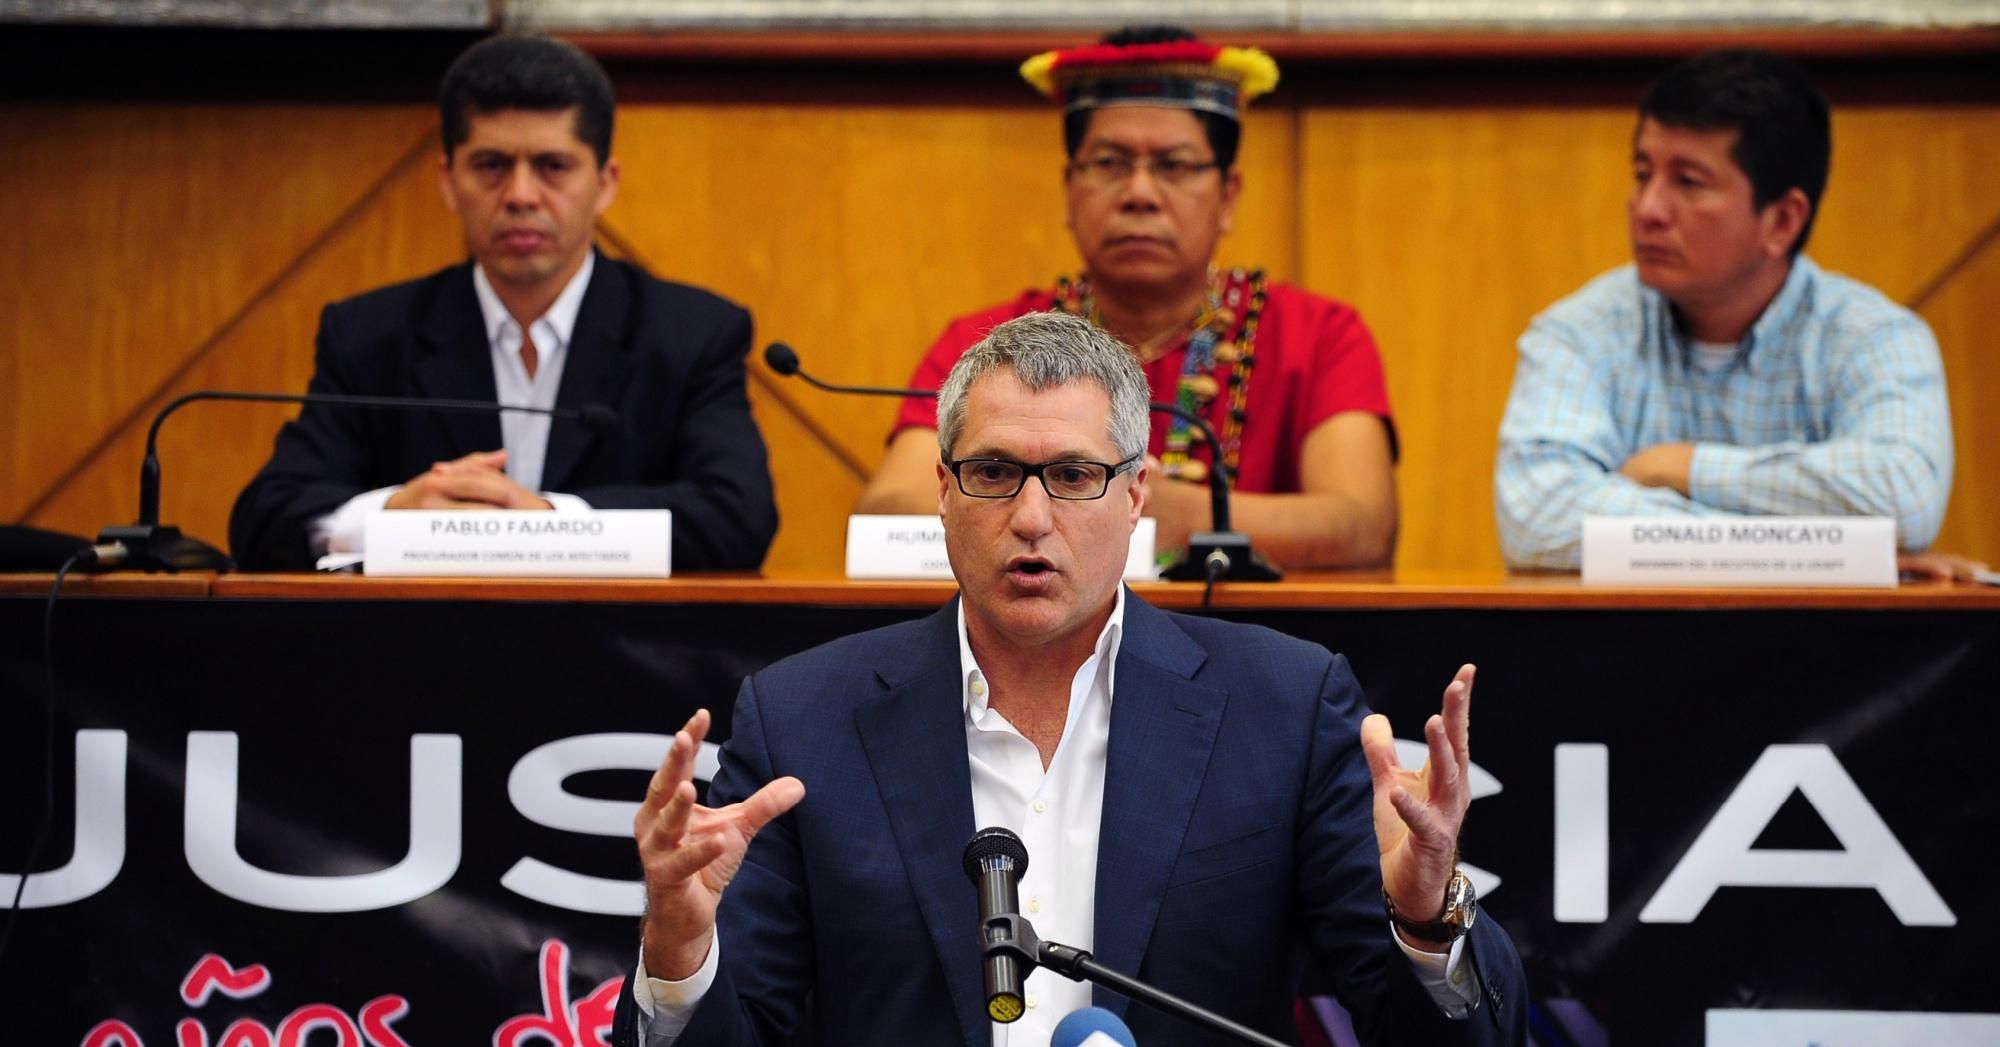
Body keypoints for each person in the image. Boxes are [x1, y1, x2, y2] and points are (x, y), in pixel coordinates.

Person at [616, 312, 1525, 1046]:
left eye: (1075, 475)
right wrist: (681, 947)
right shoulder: (804, 718)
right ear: (942, 489)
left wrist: (1427, 915)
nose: (1031, 516)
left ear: (1137, 497)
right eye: (994, 472)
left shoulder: (1280, 707)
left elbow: (1452, 1038)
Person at [853, 26, 1398, 570]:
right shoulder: (989, 344)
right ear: (1071, 189)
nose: (1139, 193)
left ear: (1228, 196)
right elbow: (887, 512)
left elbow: (1363, 525)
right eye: (1110, 164)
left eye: (1174, 167)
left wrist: (1191, 514)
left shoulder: (1318, 333)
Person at [229, 34, 777, 571]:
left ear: (605, 183)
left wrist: (549, 522)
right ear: (448, 181)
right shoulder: (371, 335)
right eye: (491, 165)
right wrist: (394, 513)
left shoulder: (690, 334)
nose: (519, 195)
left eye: (552, 166)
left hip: (616, 653)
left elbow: (738, 515)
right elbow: (266, 516)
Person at [1494, 48, 1953, 570]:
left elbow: (1905, 498)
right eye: (1643, 174)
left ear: (1782, 221)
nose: (1647, 209)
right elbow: (1536, 515)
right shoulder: (1579, 331)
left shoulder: (1876, 337)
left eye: (1688, 183)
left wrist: (1687, 469)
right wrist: (1815, 552)